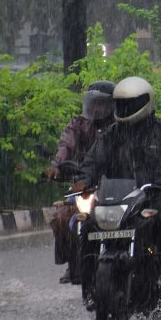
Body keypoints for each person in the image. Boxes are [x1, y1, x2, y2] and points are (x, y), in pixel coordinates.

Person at [72, 76, 161, 307]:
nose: (126, 108)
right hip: (118, 199)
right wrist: (82, 180)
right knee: (87, 225)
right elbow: (92, 161)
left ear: (145, 102)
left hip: (156, 197)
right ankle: (88, 286)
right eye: (122, 103)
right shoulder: (111, 136)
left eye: (131, 103)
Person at [45, 80, 115, 284]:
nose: (96, 108)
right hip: (85, 184)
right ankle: (73, 263)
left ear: (112, 106)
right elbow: (66, 145)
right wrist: (56, 166)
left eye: (101, 104)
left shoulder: (121, 127)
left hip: (117, 185)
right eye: (93, 103)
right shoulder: (79, 124)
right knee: (62, 217)